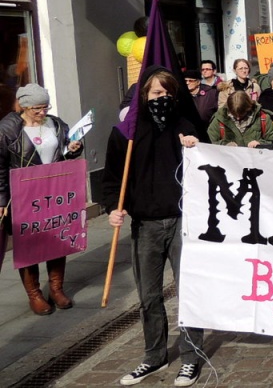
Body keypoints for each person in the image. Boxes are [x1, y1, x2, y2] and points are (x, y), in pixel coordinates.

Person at [103, 66, 204, 387]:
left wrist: (194, 146)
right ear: (143, 96)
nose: (162, 99)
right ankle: (154, 355)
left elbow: (207, 170)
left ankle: (191, 358)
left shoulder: (185, 126)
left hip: (181, 222)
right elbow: (112, 180)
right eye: (156, 93)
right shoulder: (125, 132)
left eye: (168, 93)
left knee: (188, 292)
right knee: (149, 296)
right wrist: (112, 208)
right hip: (144, 225)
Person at [0, 84, 83, 315]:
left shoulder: (55, 124)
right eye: (37, 108)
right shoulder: (7, 130)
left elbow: (65, 150)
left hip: (54, 191)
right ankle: (34, 294)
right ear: (23, 106)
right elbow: (0, 167)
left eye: (45, 107)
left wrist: (73, 148)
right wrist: (1, 200)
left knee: (57, 237)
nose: (42, 112)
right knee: (28, 243)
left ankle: (56, 289)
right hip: (24, 195)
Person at [207, 91, 273, 148]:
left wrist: (260, 144)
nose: (238, 118)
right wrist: (225, 145)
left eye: (241, 114)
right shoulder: (220, 119)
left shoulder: (262, 117)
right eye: (234, 114)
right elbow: (209, 143)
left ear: (248, 108)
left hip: (257, 161)